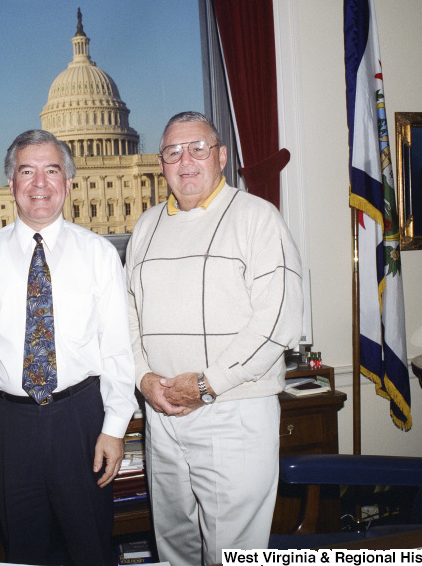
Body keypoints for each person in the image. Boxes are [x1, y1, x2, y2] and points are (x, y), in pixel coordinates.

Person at [126, 112, 303, 563]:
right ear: (160, 163)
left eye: (197, 148)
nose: (185, 160)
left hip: (233, 411)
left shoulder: (257, 218)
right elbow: (126, 314)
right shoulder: (145, 227)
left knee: (232, 552)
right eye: (172, 152)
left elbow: (278, 321)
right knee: (175, 548)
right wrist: (144, 379)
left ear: (221, 157)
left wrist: (206, 385)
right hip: (163, 413)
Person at [0, 129, 137, 565]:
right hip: (8, 424)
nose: (40, 183)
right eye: (27, 171)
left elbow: (116, 348)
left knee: (90, 548)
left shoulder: (98, 254)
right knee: (23, 551)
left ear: (69, 182)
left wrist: (114, 428)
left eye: (52, 170)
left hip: (80, 419)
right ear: (11, 183)